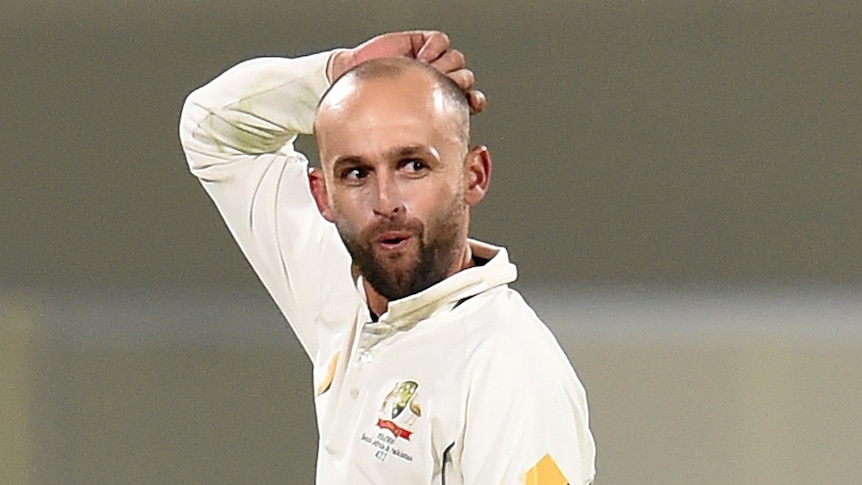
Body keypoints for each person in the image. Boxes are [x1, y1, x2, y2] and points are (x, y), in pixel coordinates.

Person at [179, 30, 595, 484]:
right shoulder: (341, 287)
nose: (386, 200)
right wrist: (336, 74)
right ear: (324, 195)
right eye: (356, 173)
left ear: (474, 176)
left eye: (413, 165)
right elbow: (210, 128)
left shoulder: (509, 370)